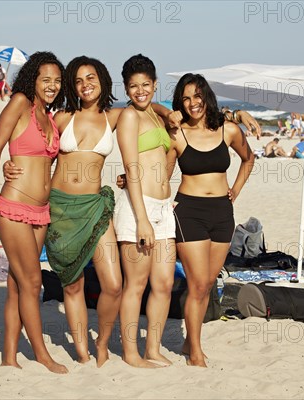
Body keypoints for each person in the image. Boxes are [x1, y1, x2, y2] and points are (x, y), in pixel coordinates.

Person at [2, 56, 177, 367]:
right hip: (60, 208)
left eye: (91, 78)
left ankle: (102, 339)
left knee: (113, 284)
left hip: (95, 206)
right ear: (73, 85)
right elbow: (33, 146)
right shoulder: (61, 118)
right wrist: (10, 164)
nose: (86, 85)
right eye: (79, 80)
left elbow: (146, 105)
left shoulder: (114, 117)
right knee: (73, 284)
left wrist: (167, 110)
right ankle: (82, 352)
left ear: (103, 81)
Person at [0, 51, 68, 374]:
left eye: (58, 81)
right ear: (33, 78)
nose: (52, 86)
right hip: (14, 206)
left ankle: (9, 356)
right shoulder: (19, 102)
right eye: (46, 79)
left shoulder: (49, 114)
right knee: (34, 283)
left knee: (17, 284)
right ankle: (42, 354)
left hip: (41, 212)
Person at [170, 73, 254, 367]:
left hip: (222, 212)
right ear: (180, 103)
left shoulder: (228, 130)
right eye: (186, 98)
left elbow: (249, 158)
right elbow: (161, 174)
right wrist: (129, 178)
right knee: (196, 284)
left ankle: (186, 341)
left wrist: (236, 190)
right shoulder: (176, 134)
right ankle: (195, 352)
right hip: (189, 212)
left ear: (206, 96)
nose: (193, 103)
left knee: (206, 284)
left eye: (197, 96)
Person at [114, 54, 177, 368]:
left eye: (146, 84)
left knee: (164, 283)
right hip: (138, 209)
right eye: (133, 86)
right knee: (135, 285)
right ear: (126, 88)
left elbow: (165, 117)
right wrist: (141, 220)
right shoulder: (129, 117)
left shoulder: (154, 113)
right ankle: (131, 353)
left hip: (165, 208)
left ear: (154, 84)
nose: (140, 90)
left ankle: (153, 348)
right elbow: (132, 167)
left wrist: (167, 110)